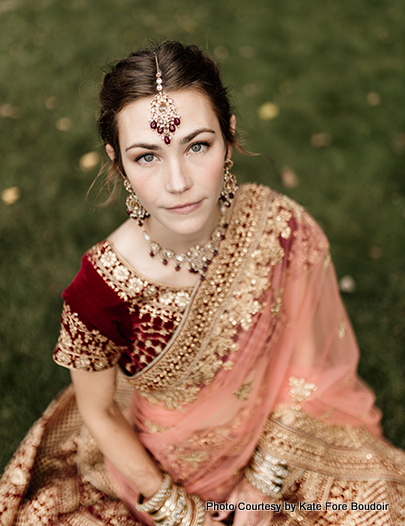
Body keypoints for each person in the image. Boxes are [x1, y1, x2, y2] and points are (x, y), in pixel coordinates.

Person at [0, 41, 404, 526]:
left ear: (228, 136)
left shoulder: (277, 227)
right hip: (164, 472)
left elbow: (307, 365)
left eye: (197, 146)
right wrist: (182, 513)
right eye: (147, 156)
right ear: (117, 161)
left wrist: (263, 484)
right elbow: (101, 414)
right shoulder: (99, 291)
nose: (178, 182)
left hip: (278, 437)